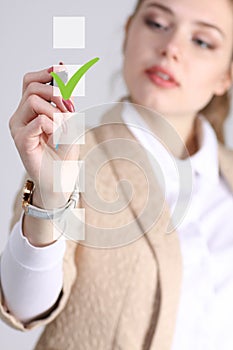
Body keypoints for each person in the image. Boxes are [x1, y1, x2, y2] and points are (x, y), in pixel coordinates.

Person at [1, 0, 233, 349]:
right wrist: (51, 196)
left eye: (202, 41)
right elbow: (24, 307)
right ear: (128, 33)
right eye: (157, 22)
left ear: (226, 76)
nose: (171, 48)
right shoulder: (71, 154)